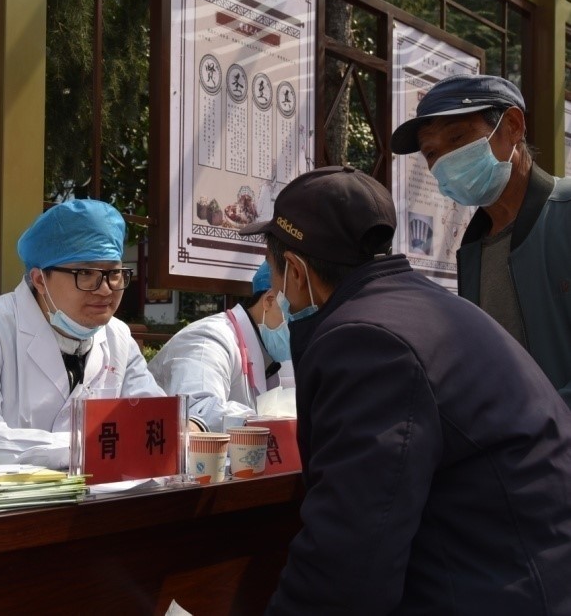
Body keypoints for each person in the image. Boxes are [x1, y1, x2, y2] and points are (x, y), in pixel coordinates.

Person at [236, 165, 571, 614]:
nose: (275, 293)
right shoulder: (424, 306)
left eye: (274, 278)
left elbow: (349, 565)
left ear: (295, 271)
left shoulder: (364, 342)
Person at [0, 199, 166, 469]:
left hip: (96, 493)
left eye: (114, 273)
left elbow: (154, 419)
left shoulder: (118, 336)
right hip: (1, 494)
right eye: (86, 273)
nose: (105, 289)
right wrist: (83, 446)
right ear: (39, 280)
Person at [391, 73, 571, 407]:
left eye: (458, 137)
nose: (446, 160)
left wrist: (550, 422)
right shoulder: (473, 250)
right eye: (431, 153)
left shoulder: (565, 213)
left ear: (513, 126)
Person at [148, 262, 293, 432]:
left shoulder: (268, 353)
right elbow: (195, 412)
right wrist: (270, 426)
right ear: (269, 301)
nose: (304, 325)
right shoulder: (208, 339)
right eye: (296, 313)